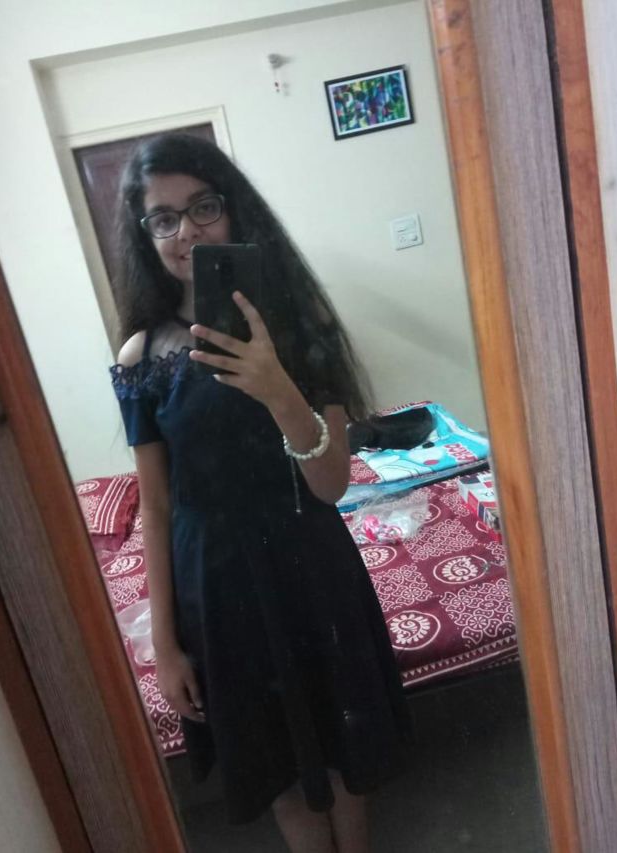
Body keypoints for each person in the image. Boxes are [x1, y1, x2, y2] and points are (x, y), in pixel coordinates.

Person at [110, 132, 409, 853]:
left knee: (344, 751)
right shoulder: (142, 354)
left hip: (310, 559)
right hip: (214, 585)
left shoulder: (299, 326)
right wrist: (166, 644)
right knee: (276, 765)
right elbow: (156, 505)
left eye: (203, 206)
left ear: (233, 208)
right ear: (145, 234)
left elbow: (331, 482)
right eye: (163, 218)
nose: (187, 232)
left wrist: (277, 388)